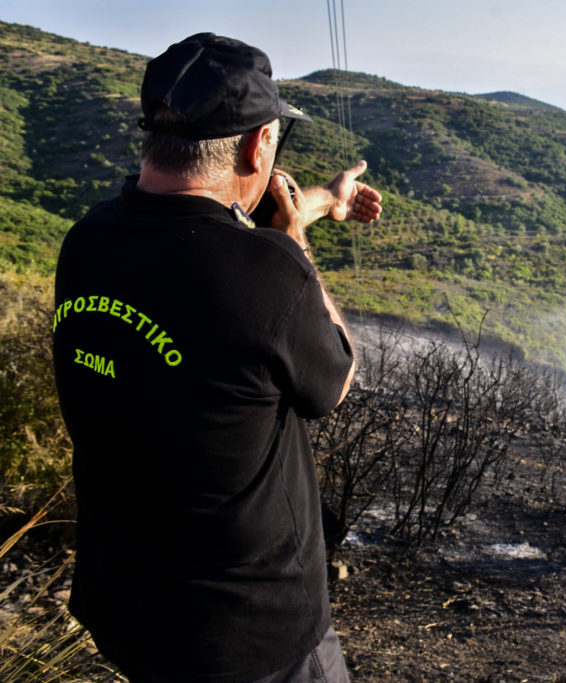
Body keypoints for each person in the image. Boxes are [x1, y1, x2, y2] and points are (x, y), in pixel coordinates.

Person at [51, 33, 381, 682]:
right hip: (249, 634)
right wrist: (294, 247)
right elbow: (335, 379)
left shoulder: (87, 241)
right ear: (261, 143)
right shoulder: (267, 273)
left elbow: (236, 229)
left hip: (129, 608)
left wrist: (323, 201)